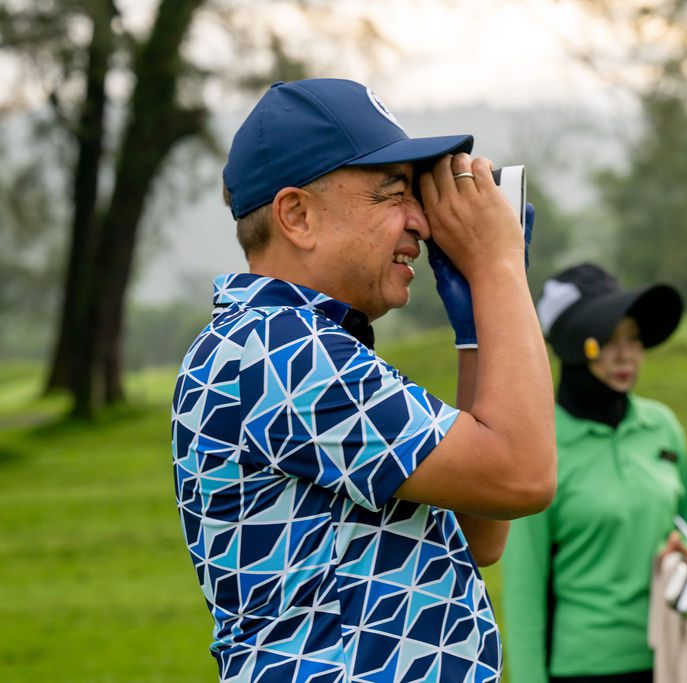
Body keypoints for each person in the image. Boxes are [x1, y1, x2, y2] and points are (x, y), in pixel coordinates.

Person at [170, 78, 556, 683]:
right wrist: (498, 266)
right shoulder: (279, 351)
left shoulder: (290, 345)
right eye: (393, 193)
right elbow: (523, 476)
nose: (420, 223)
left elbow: (481, 529)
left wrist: (477, 331)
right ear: (297, 215)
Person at [502, 263, 687, 683]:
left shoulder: (662, 427)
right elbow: (524, 590)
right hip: (587, 667)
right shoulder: (539, 448)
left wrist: (686, 550)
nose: (625, 354)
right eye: (609, 339)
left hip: (675, 655)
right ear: (575, 347)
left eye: (634, 338)